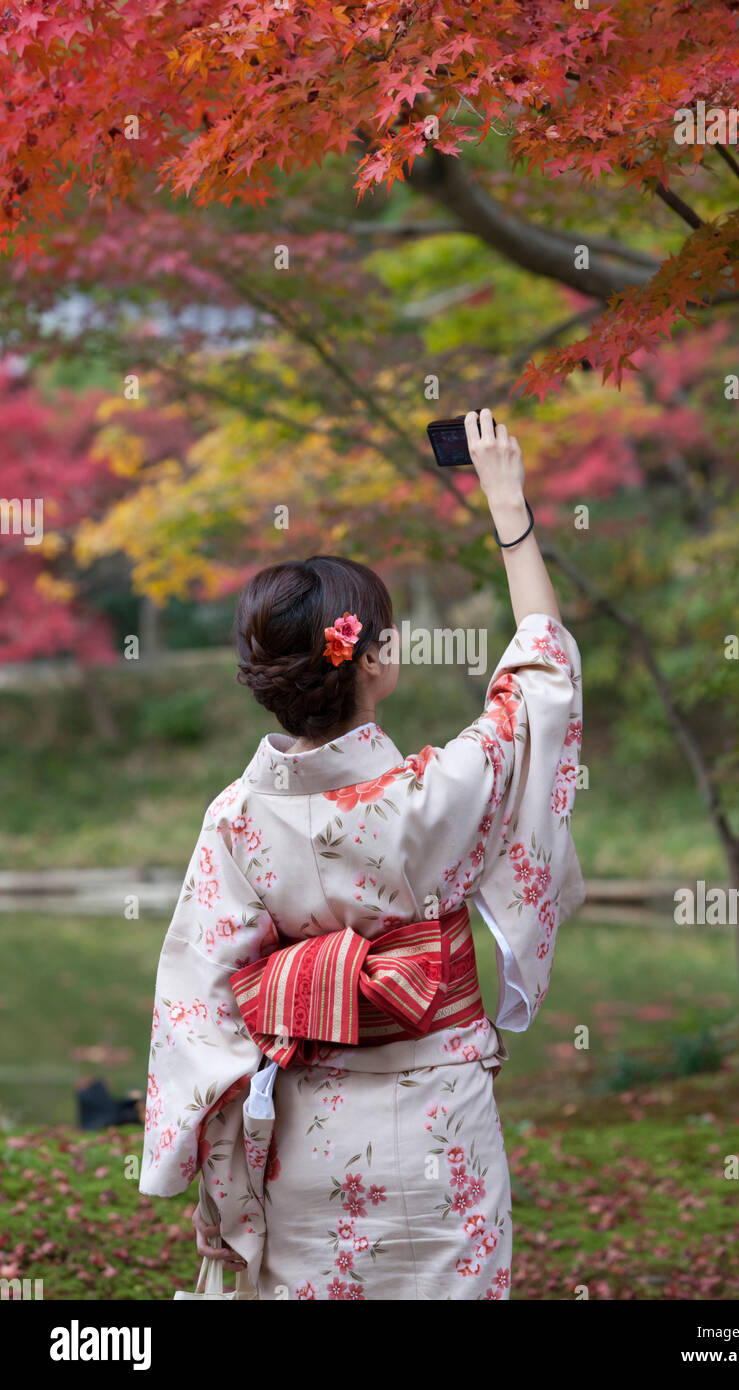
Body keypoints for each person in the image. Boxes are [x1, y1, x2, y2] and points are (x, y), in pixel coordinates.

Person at [139, 409, 585, 1300]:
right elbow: (541, 685)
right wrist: (510, 507)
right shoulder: (435, 794)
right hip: (438, 1128)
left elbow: (200, 1015)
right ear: (373, 663)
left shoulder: (232, 821)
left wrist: (222, 1188)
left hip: (305, 1141)